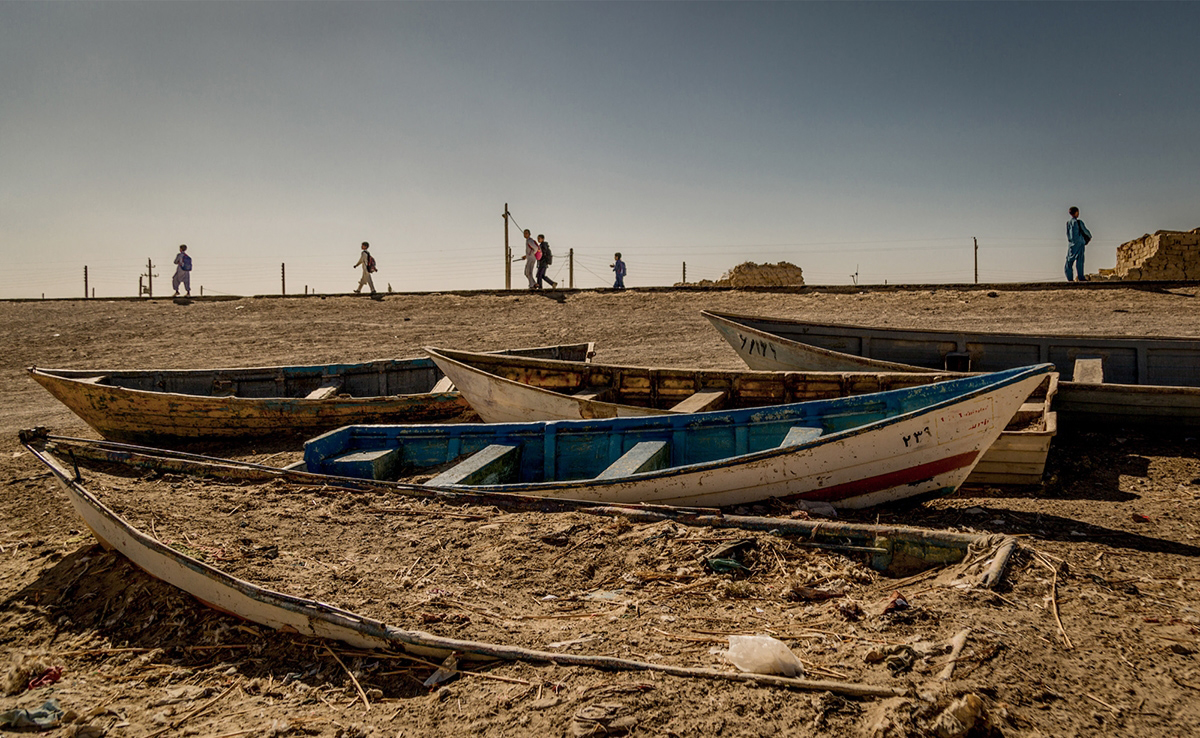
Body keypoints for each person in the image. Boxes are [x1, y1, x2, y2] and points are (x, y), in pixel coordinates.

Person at [1065, 206, 1092, 282]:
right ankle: (1081, 277)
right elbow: (1086, 231)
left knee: (1069, 262)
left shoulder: (1068, 223)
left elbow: (1067, 234)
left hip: (1071, 244)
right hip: (1080, 243)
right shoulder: (1078, 222)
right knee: (1080, 261)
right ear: (1076, 212)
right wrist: (1089, 237)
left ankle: (1070, 278)